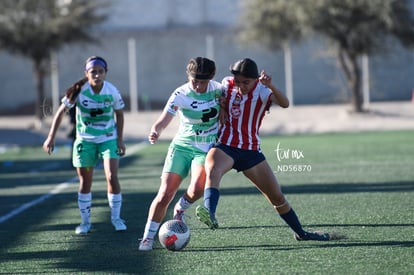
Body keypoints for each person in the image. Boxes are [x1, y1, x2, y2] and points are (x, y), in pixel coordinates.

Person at [196, 58, 332, 241]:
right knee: (212, 169)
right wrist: (221, 106)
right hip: (225, 146)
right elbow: (219, 97)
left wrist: (271, 86)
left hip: (250, 151)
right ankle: (209, 213)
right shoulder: (226, 84)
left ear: (255, 80)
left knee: (276, 197)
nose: (241, 86)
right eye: (238, 81)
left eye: (246, 82)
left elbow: (285, 103)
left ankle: (302, 233)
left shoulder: (262, 91)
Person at [138, 57, 223, 251]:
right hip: (182, 147)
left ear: (211, 79)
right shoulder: (180, 93)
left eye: (204, 82)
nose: (200, 86)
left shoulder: (219, 90)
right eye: (195, 81)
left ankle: (181, 208)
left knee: (199, 186)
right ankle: (147, 238)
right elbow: (162, 120)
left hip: (205, 148)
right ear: (188, 76)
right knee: (165, 193)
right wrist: (155, 131)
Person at [43, 56, 127, 234]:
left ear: (105, 73)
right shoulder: (79, 91)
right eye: (93, 72)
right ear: (86, 73)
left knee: (112, 176)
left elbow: (119, 114)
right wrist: (51, 137)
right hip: (85, 140)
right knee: (85, 181)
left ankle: (116, 218)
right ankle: (85, 222)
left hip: (108, 139)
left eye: (100, 71)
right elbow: (60, 112)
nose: (97, 75)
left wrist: (120, 139)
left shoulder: (112, 91)